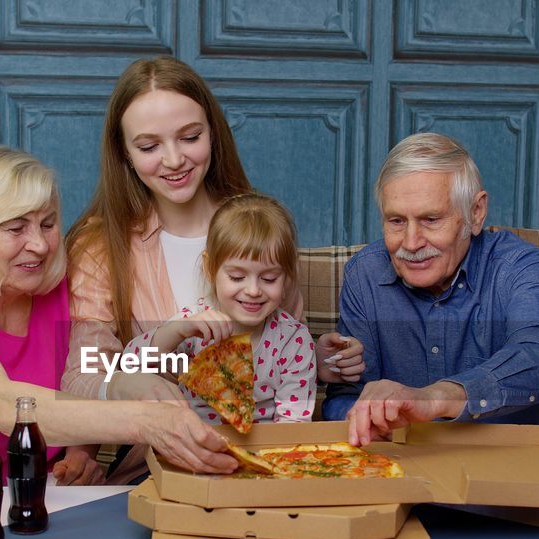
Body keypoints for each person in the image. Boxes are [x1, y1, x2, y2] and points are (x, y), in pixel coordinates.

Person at [0, 145, 236, 521]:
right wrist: (149, 420)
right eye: (15, 228)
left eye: (48, 224)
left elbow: (87, 376)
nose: (39, 244)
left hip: (31, 492)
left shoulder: (57, 291)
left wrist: (81, 450)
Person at [62, 56, 356, 477]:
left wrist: (318, 358)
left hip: (261, 459)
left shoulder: (259, 229)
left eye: (190, 137)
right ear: (124, 154)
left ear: (213, 135)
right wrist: (86, 446)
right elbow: (84, 375)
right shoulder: (99, 246)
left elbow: (282, 355)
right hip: (157, 465)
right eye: (148, 146)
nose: (174, 159)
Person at [322, 133, 539, 446]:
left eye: (431, 219)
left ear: (476, 213)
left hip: (506, 475)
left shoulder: (521, 266)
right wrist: (361, 419)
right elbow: (346, 394)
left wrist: (434, 398)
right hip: (405, 470)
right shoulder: (364, 274)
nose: (411, 243)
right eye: (396, 221)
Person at [123, 193, 316, 424]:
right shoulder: (193, 326)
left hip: (264, 452)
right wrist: (176, 332)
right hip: (193, 449)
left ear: (286, 278)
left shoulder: (293, 340)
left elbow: (293, 424)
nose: (253, 290)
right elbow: (130, 363)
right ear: (210, 269)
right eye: (237, 277)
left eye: (269, 278)